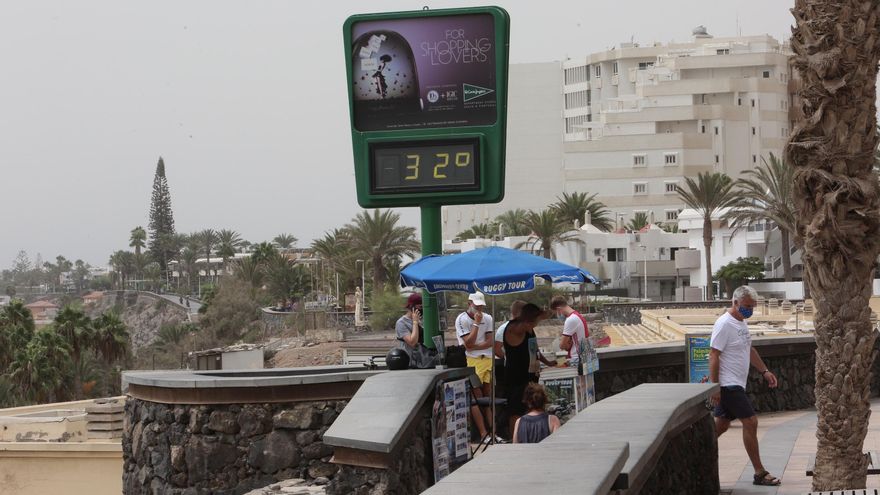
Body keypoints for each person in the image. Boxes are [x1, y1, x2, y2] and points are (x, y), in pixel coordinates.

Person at [710, 285, 781, 487]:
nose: (750, 310)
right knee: (750, 422)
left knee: (721, 425)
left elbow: (748, 348)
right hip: (728, 384)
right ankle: (759, 472)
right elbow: (713, 354)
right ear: (735, 303)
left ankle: (693, 451)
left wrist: (764, 371)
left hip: (737, 383)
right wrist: (715, 387)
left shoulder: (741, 323)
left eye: (753, 306)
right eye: (747, 306)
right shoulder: (724, 323)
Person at [503, 303, 557, 437]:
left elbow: (535, 350)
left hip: (530, 375)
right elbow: (521, 318)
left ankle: (532, 436)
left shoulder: (528, 329)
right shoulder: (514, 329)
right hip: (516, 377)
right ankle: (515, 438)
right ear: (527, 321)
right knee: (516, 410)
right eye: (534, 322)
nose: (535, 326)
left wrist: (548, 362)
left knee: (531, 408)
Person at [455, 292, 495, 442]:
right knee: (476, 397)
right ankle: (483, 433)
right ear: (469, 304)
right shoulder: (462, 319)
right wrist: (476, 325)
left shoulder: (488, 318)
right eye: (476, 306)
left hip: (487, 359)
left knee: (487, 396)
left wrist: (475, 346)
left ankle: (492, 431)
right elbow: (468, 343)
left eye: (481, 306)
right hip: (472, 360)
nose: (479, 309)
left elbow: (489, 341)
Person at [395, 293, 436, 369]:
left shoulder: (423, 320)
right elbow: (412, 342)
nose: (422, 309)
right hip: (410, 362)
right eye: (420, 307)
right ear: (412, 307)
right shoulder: (401, 323)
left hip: (426, 360)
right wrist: (415, 322)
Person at [550, 296, 589, 370]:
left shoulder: (571, 320)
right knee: (555, 363)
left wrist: (564, 344)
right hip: (582, 357)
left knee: (551, 366)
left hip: (576, 360)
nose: (557, 316)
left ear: (558, 309)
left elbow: (562, 345)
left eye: (556, 313)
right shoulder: (577, 315)